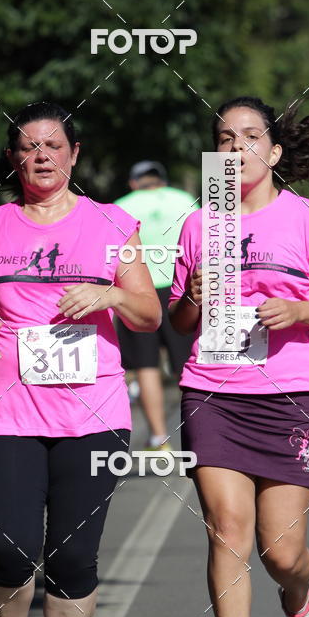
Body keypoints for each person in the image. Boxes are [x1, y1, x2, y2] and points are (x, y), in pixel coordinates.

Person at [0, 102, 161, 617]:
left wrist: (107, 293)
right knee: (7, 545)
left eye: (52, 145)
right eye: (27, 146)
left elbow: (147, 315)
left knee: (72, 557)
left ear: (74, 155)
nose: (40, 154)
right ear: (14, 158)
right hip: (7, 409)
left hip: (91, 415)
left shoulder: (113, 224)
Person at [169, 96, 309, 617]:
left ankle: (298, 600)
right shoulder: (197, 223)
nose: (234, 147)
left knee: (282, 549)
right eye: (223, 138)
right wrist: (190, 293)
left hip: (288, 393)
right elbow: (181, 319)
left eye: (247, 137)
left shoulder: (306, 219)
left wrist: (298, 309)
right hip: (212, 391)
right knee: (227, 531)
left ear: (273, 152)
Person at [114, 161, 197, 449]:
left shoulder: (121, 206)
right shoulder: (185, 201)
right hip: (181, 291)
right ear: (161, 180)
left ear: (134, 183)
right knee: (188, 365)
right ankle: (198, 431)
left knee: (145, 365)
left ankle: (159, 437)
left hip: (139, 292)